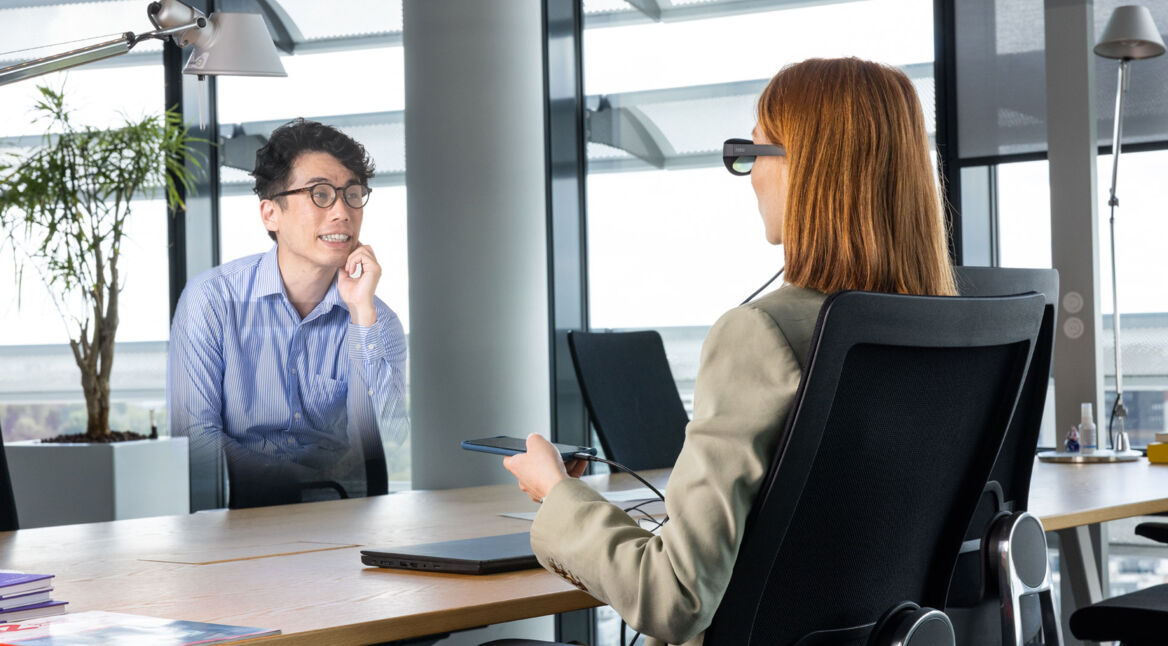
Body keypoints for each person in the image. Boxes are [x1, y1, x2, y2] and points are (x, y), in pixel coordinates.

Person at [499, 58, 957, 646]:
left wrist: (556, 493)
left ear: (806, 168)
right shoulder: (944, 336)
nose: (750, 176)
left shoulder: (761, 335)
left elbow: (674, 597)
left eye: (752, 151)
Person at [167, 118, 407, 506]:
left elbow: (389, 442)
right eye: (320, 194)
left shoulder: (376, 320)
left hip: (341, 520)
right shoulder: (211, 301)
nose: (342, 212)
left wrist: (362, 316)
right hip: (237, 517)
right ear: (270, 214)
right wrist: (300, 485)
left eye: (352, 194)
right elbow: (194, 438)